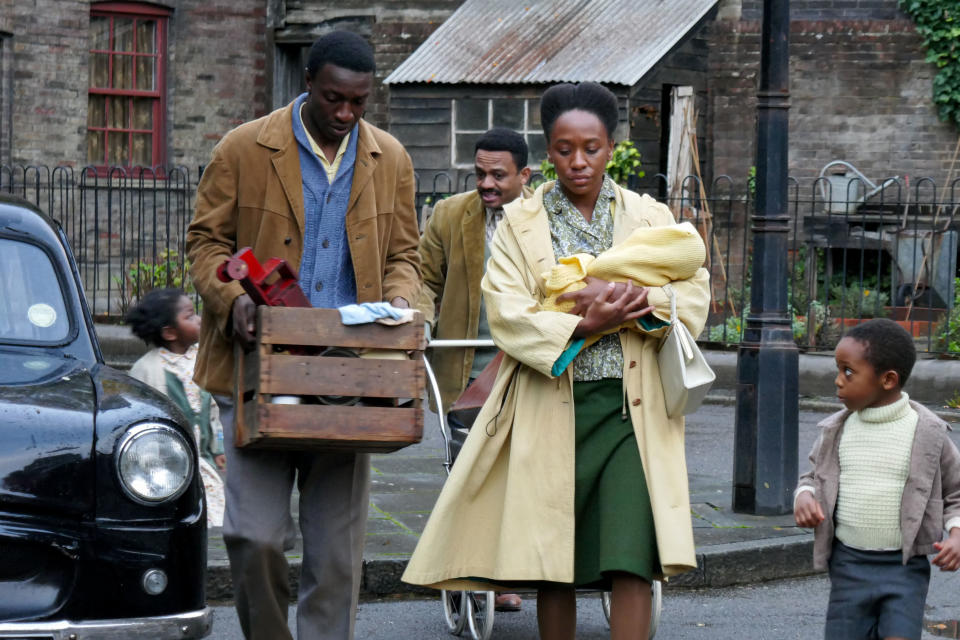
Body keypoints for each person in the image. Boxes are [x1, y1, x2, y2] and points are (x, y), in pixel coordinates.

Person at [402, 81, 710, 639]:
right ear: (548, 151)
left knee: (632, 557)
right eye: (564, 149)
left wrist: (635, 303)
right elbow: (509, 311)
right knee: (554, 563)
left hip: (629, 411)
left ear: (610, 148)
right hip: (551, 408)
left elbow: (692, 290)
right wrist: (585, 322)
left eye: (591, 148)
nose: (578, 162)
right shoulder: (522, 223)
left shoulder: (649, 216)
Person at [186, 31, 420, 640]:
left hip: (349, 374)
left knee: (338, 558)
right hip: (255, 370)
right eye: (334, 99)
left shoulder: (389, 158)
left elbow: (404, 254)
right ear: (308, 83)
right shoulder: (244, 147)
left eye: (359, 103)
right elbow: (205, 244)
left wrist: (400, 300)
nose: (346, 114)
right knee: (252, 535)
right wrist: (232, 298)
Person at [417, 127, 532, 613]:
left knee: (527, 473)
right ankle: (478, 569)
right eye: (480, 173)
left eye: (498, 175)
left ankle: (518, 568)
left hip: (530, 368)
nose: (486, 183)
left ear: (524, 175)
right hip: (465, 372)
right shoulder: (449, 215)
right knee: (469, 475)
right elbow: (423, 278)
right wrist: (420, 318)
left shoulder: (545, 214)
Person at [794, 318, 960, 640]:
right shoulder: (836, 430)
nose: (838, 381)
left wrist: (956, 534)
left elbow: (957, 491)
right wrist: (804, 495)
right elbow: (813, 476)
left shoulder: (928, 432)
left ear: (888, 380)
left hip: (904, 568)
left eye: (848, 372)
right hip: (848, 566)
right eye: (838, 370)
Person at [125, 288, 226, 527]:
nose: (199, 319)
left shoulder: (202, 359)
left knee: (215, 514)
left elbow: (213, 409)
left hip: (203, 461)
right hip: (165, 465)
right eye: (189, 316)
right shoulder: (146, 370)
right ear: (170, 333)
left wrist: (218, 446)